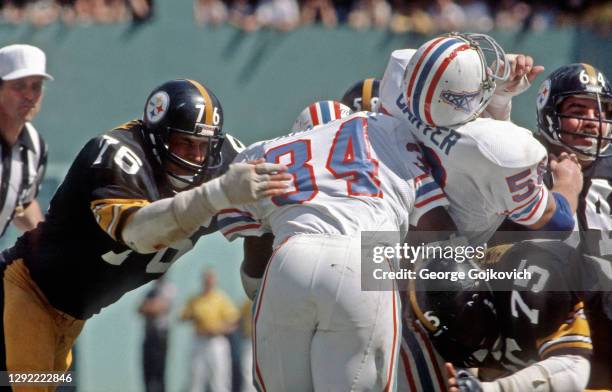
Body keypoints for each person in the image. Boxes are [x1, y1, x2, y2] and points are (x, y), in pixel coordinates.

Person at [0, 78, 290, 380]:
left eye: (204, 145)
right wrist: (215, 195)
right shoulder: (117, 155)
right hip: (24, 292)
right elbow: (140, 233)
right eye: (184, 143)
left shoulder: (226, 162)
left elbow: (267, 221)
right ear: (157, 138)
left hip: (68, 316)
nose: (196, 156)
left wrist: (259, 285)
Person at [216, 108, 455, 391]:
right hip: (363, 260)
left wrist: (262, 292)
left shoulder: (262, 151)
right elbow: (436, 230)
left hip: (290, 258)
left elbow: (255, 256)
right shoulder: (382, 130)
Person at [379, 32, 583, 246]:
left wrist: (498, 100)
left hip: (387, 231)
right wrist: (568, 182)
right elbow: (555, 223)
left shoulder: (399, 72)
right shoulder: (501, 151)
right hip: (443, 264)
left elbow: (456, 132)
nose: (488, 73)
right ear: (463, 100)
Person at [408, 240, 593, 392]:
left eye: (468, 327)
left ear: (482, 296)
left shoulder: (530, 281)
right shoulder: (459, 343)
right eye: (457, 338)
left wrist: (491, 389)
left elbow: (576, 370)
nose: (472, 344)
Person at [535, 63, 612, 390]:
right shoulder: (527, 166)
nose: (593, 121)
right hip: (548, 324)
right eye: (579, 109)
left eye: (601, 112)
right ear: (551, 114)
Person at [0, 44, 51, 237]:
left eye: (36, 86)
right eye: (19, 86)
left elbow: (22, 203)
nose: (30, 95)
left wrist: (47, 243)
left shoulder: (36, 146)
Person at [181, 270, 239, 392]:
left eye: (210, 279)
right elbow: (183, 316)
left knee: (219, 379)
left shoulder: (221, 298)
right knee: (196, 378)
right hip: (199, 341)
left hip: (216, 342)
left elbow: (233, 322)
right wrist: (193, 316)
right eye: (206, 279)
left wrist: (219, 329)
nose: (208, 282)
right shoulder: (195, 299)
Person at [138, 277, 176, 392]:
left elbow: (159, 309)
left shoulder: (169, 289)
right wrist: (152, 305)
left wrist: (149, 305)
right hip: (148, 335)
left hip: (160, 336)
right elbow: (139, 309)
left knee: (159, 371)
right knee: (147, 371)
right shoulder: (150, 290)